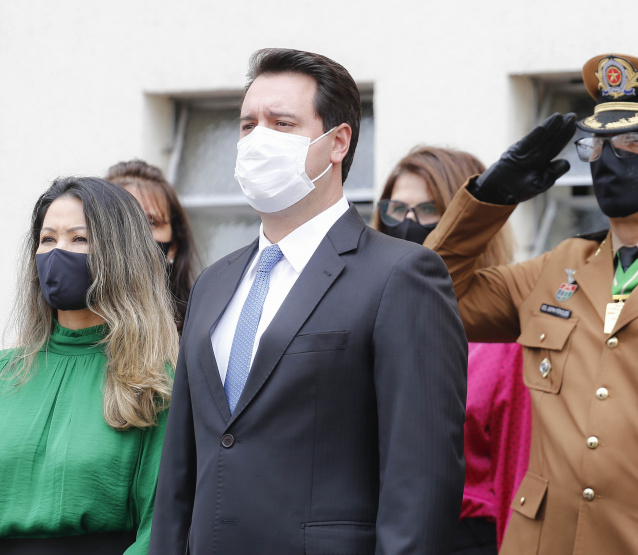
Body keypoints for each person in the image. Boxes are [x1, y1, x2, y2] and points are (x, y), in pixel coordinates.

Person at [424, 53, 638, 555]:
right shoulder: (558, 267)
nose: (611, 159)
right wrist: (488, 199)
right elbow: (426, 297)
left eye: (635, 141)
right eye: (600, 145)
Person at [150, 49, 467, 555]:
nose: (258, 141)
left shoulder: (400, 275)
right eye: (248, 125)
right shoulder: (214, 283)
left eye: (282, 123)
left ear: (338, 142)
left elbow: (421, 476)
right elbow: (181, 469)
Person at [0, 177, 178, 553]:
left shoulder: (154, 382)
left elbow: (162, 524)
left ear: (119, 253)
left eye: (78, 239)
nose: (57, 252)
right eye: (47, 239)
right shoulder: (6, 372)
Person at [376, 146, 526, 553]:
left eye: (428, 210)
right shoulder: (363, 313)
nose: (408, 224)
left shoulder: (502, 337)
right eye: (396, 209)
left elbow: (516, 476)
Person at [106, 160, 198, 334]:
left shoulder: (196, 333)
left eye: (151, 222)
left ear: (173, 247)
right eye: (122, 219)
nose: (137, 233)